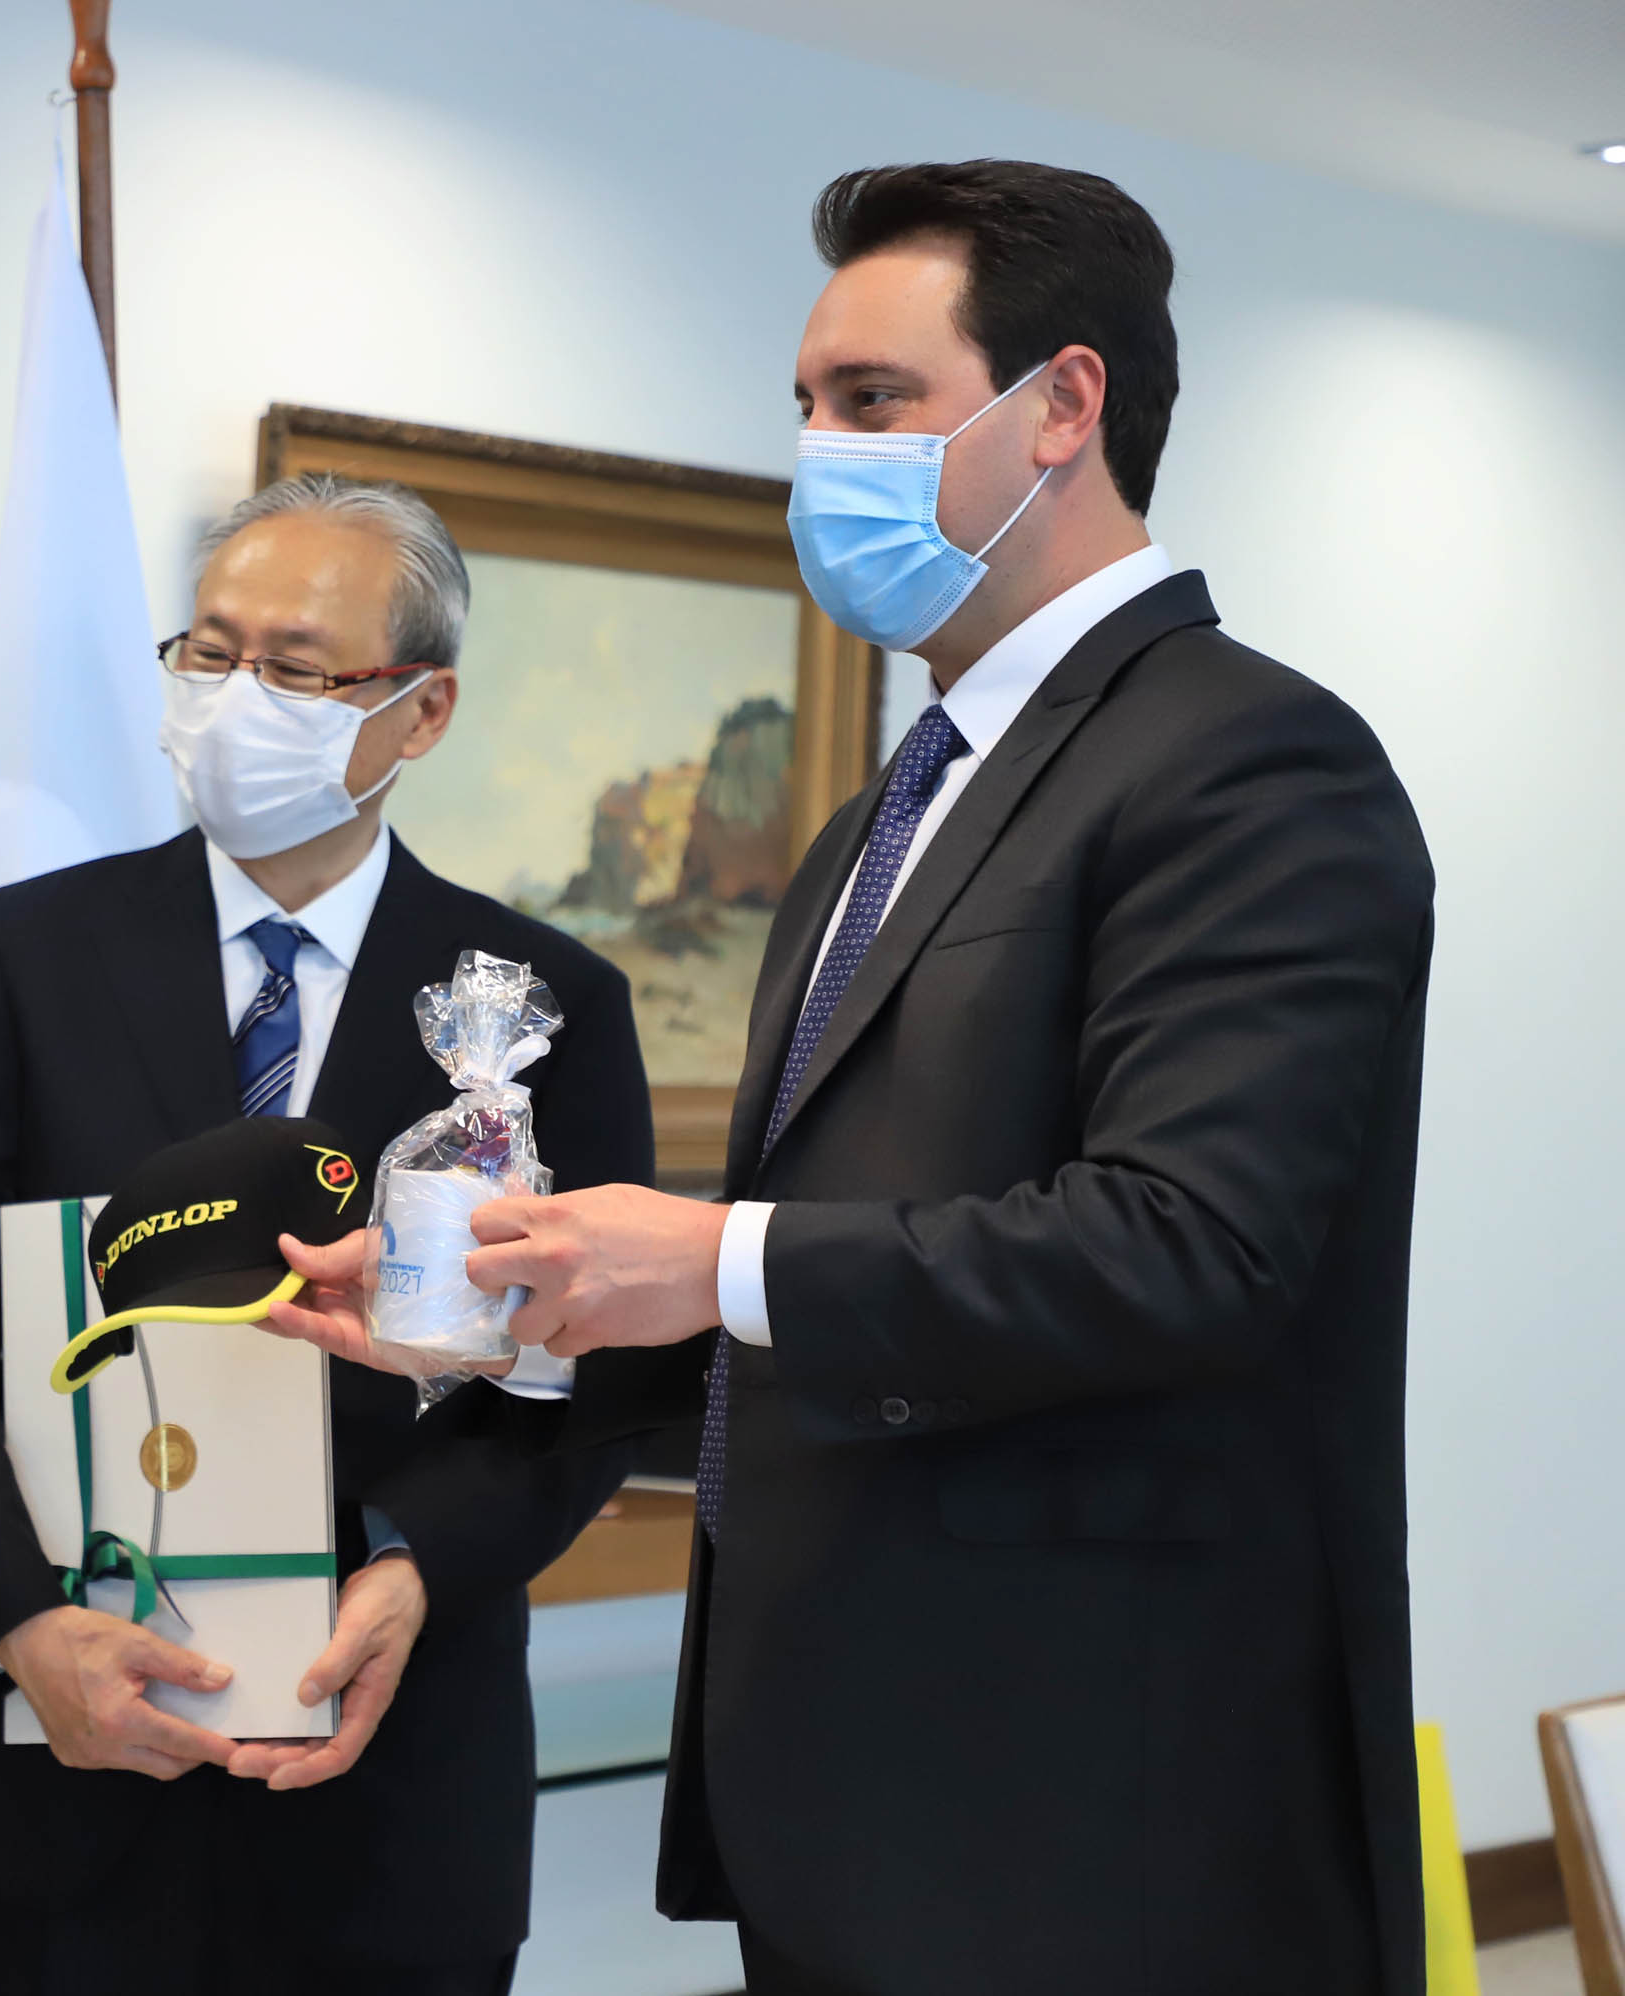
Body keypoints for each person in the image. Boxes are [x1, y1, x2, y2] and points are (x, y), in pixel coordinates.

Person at [270, 162, 1435, 1994]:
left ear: (1064, 404)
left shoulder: (1252, 762)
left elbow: (1191, 1248)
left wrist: (710, 1253)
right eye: (808, 407)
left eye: (874, 403)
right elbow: (845, 1286)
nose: (822, 452)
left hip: (1097, 1825)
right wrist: (520, 1308)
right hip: (851, 1803)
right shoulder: (885, 813)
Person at [0, 473, 698, 1995]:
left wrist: (422, 1567)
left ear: (421, 714)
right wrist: (23, 1621)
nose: (238, 700)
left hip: (388, 1783)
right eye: (210, 652)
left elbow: (593, 1386)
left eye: (297, 669)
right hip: (59, 1768)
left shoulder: (540, 1004)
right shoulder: (28, 953)